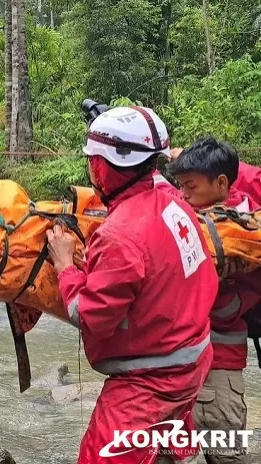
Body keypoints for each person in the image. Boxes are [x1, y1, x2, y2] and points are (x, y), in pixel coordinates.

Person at [46, 106, 218, 463]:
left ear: (101, 167)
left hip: (148, 381)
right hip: (192, 361)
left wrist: (65, 266)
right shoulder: (173, 198)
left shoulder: (118, 236)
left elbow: (91, 316)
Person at [165, 137, 261, 463]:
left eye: (190, 186)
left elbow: (232, 306)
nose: (183, 194)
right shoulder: (196, 213)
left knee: (226, 458)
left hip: (218, 367)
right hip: (178, 368)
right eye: (180, 185)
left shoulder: (241, 233)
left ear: (221, 183)